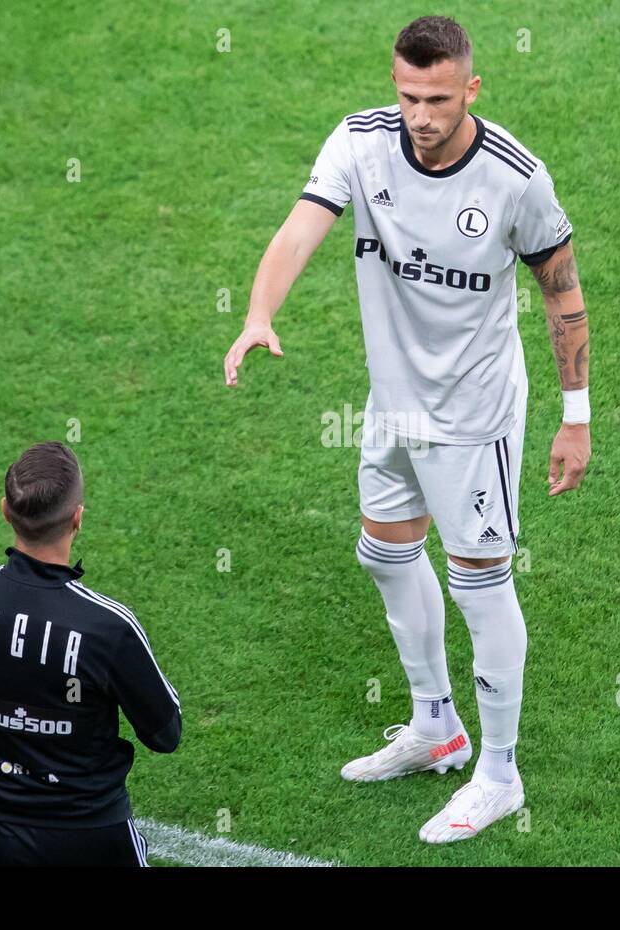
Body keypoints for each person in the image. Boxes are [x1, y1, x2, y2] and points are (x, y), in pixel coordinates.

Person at [222, 16, 589, 843]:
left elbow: (562, 293)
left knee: (480, 583)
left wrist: (577, 419)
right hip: (394, 403)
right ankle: (437, 727)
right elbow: (299, 228)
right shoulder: (360, 144)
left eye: (437, 98)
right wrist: (257, 314)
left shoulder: (515, 179)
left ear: (471, 89)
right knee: (384, 551)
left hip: (474, 415)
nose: (420, 114)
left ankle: (500, 773)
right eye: (407, 95)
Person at [0, 440, 181, 865]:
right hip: (95, 839)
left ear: (5, 511)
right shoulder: (109, 628)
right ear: (78, 519)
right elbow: (165, 734)